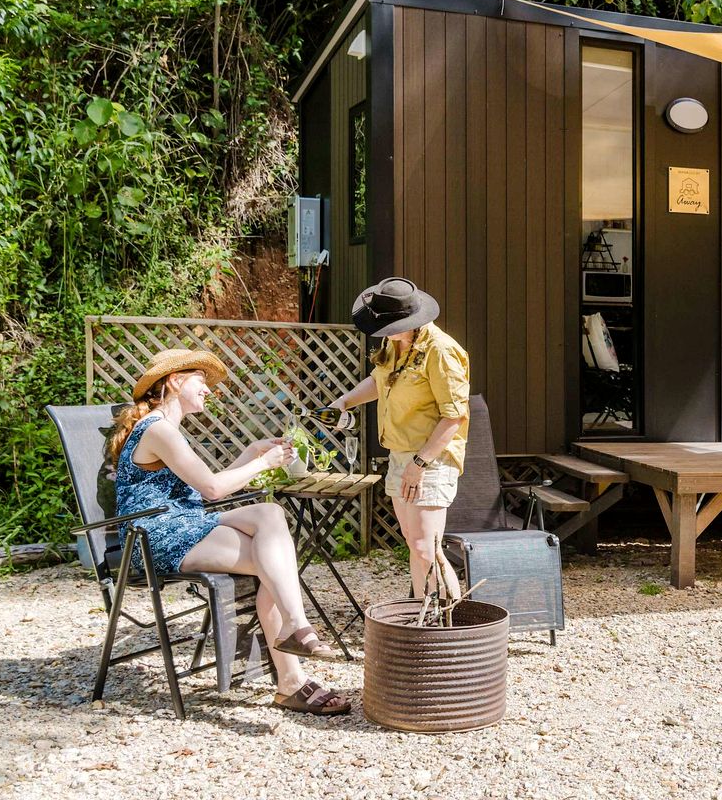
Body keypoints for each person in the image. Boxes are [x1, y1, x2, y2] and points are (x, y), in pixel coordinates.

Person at [110, 348, 350, 715]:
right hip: (154, 537)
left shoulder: (166, 429)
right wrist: (261, 463)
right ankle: (292, 674)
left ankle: (295, 635)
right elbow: (212, 491)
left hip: (184, 523)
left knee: (270, 519)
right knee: (273, 563)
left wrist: (251, 453)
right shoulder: (158, 429)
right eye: (201, 382)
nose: (208, 391)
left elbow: (204, 488)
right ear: (175, 381)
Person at [322, 277, 470, 600]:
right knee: (414, 546)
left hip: (430, 458)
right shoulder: (396, 342)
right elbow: (379, 381)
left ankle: (452, 627)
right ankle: (424, 619)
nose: (384, 335)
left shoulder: (441, 352)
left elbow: (454, 417)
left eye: (390, 328)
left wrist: (420, 462)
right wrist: (344, 402)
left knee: (427, 547)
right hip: (400, 455)